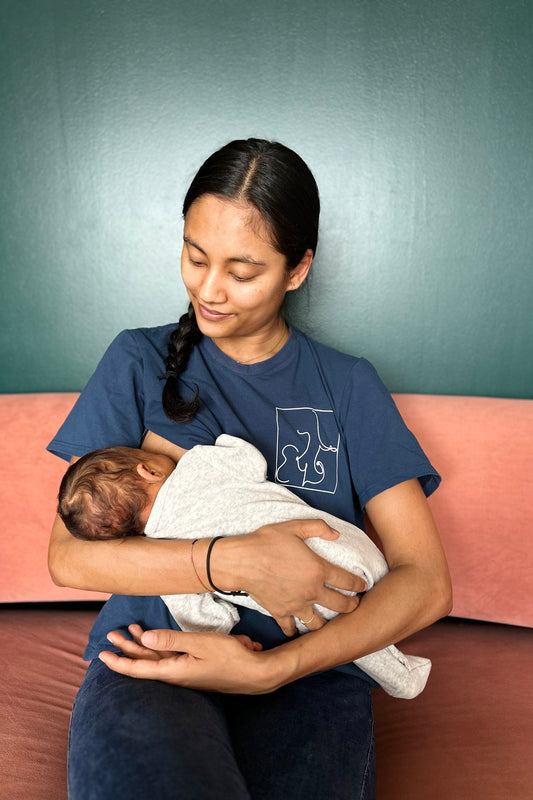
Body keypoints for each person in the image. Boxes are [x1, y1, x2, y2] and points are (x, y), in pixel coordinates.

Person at [47, 137, 452, 800]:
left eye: (242, 270)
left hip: (313, 675)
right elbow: (69, 558)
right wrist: (231, 561)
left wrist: (275, 669)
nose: (208, 290)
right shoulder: (137, 360)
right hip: (152, 655)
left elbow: (427, 583)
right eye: (194, 256)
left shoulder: (346, 385)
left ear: (297, 269)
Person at [56, 435, 433, 699]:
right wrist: (220, 444)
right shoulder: (199, 465)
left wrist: (223, 635)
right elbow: (247, 459)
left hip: (304, 608)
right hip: (349, 549)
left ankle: (401, 676)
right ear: (148, 471)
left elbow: (202, 617)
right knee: (351, 604)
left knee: (332, 620)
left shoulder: (162, 552)